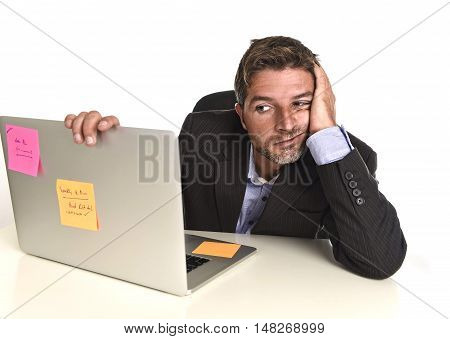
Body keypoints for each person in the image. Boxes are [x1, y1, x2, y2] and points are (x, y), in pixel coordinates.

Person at [64, 36, 407, 280]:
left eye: (301, 103)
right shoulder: (204, 131)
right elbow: (144, 210)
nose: (286, 124)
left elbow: (379, 262)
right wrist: (104, 151)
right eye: (264, 107)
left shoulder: (342, 160)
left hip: (279, 300)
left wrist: (327, 132)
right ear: (241, 115)